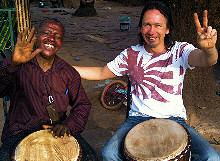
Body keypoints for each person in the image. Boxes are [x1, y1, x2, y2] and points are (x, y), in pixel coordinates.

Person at [73, 1, 219, 160]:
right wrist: (65, 68)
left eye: (158, 25)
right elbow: (101, 72)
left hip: (174, 119)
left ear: (167, 29)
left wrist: (209, 48)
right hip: (137, 118)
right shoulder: (130, 55)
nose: (151, 31)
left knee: (212, 157)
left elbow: (207, 60)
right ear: (140, 28)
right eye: (147, 25)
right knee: (108, 154)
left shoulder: (180, 50)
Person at [0, 19, 98, 160]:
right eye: (46, 33)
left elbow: (83, 104)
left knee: (91, 157)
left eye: (57, 37)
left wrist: (68, 125)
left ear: (61, 42)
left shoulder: (68, 72)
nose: (51, 39)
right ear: (36, 37)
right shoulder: (18, 63)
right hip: (20, 131)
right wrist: (13, 64)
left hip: (57, 130)